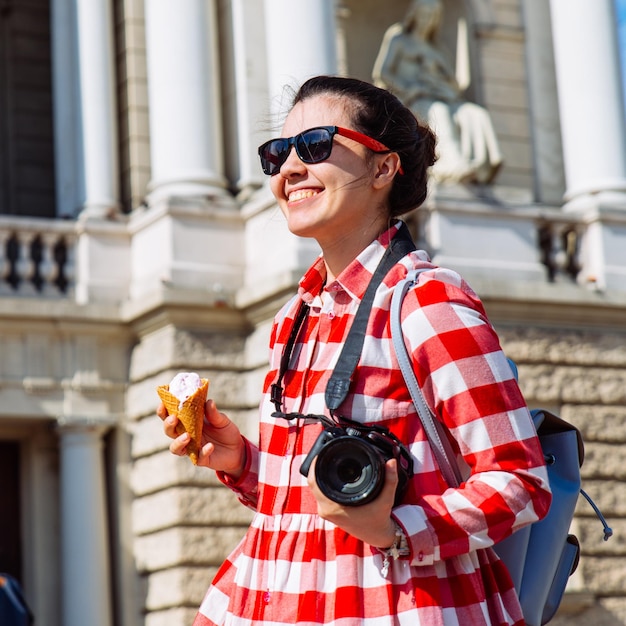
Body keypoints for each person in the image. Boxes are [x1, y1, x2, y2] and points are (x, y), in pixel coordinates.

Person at [158, 75, 551, 625]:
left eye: (315, 145)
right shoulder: (292, 318)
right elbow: (311, 508)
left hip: (393, 605)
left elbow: (521, 482)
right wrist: (245, 462)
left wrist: (396, 530)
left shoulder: (425, 301)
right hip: (273, 599)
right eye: (277, 154)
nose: (289, 169)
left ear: (383, 168)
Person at [373, 0, 503, 184]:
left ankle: (479, 170)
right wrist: (411, 88)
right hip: (411, 99)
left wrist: (438, 84)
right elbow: (382, 73)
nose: (427, 20)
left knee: (475, 114)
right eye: (424, 14)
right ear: (415, 14)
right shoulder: (399, 39)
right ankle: (451, 164)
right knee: (438, 111)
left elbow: (453, 83)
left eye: (431, 16)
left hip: (440, 97)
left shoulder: (437, 50)